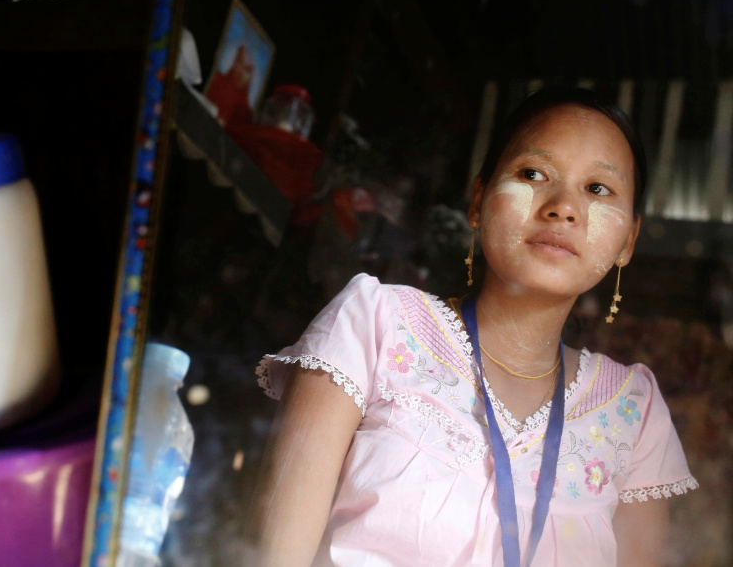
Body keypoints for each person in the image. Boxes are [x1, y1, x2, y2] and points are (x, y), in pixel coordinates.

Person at [251, 87, 697, 566]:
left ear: (628, 240)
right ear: (479, 202)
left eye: (597, 189)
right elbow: (273, 557)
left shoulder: (633, 410)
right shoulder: (376, 324)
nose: (563, 206)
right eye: (533, 173)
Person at [205, 44, 256, 130]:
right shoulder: (216, 80)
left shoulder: (245, 112)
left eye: (247, 69)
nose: (241, 71)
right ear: (235, 62)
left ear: (251, 76)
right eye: (239, 62)